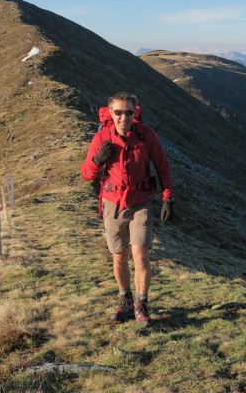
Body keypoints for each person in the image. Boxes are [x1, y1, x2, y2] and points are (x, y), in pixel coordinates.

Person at [81, 92, 174, 327]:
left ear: (135, 112)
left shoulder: (147, 136)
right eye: (118, 112)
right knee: (119, 255)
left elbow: (163, 167)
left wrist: (168, 198)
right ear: (110, 113)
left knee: (140, 256)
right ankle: (125, 300)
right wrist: (98, 159)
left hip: (141, 202)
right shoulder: (101, 138)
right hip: (113, 204)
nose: (123, 117)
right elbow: (86, 174)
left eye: (128, 112)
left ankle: (141, 305)